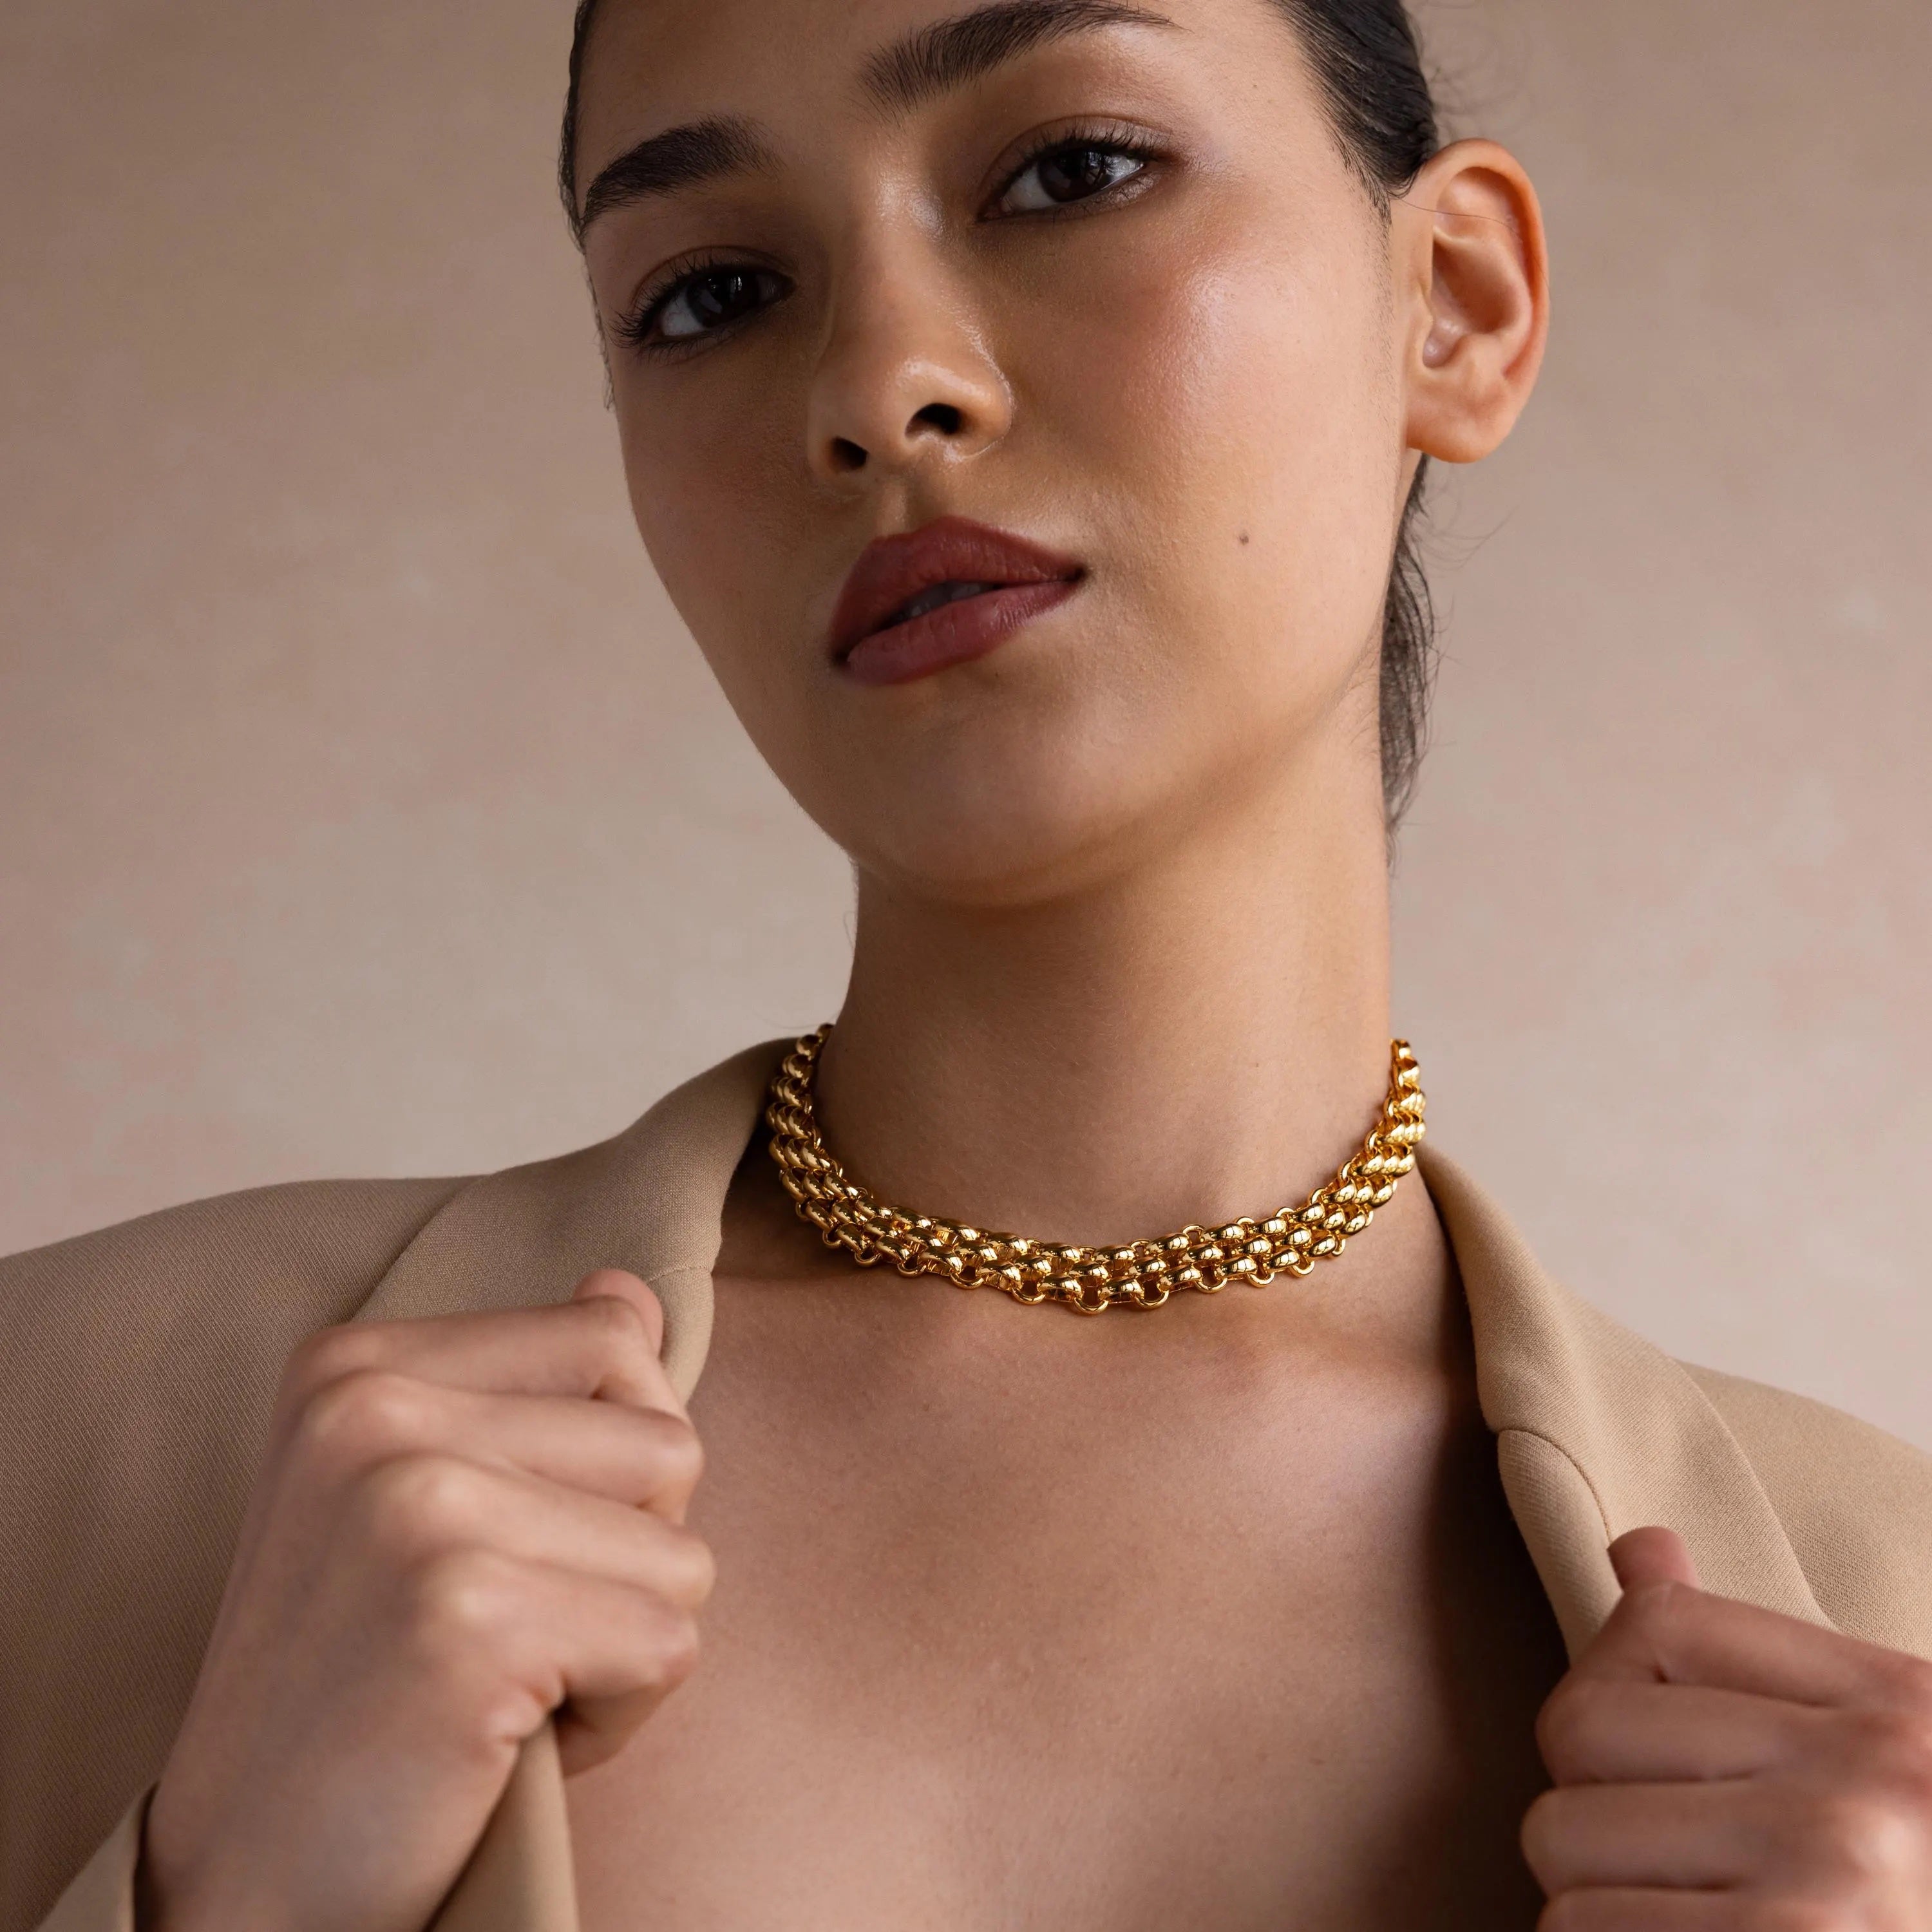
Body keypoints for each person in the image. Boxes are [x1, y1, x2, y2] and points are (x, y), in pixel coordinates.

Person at [6, 0, 1931, 1926]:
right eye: (711, 292)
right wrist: (229, 1886)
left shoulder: (1884, 1616)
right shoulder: (87, 1451)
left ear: (1453, 303)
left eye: (1069, 171)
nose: (879, 383)